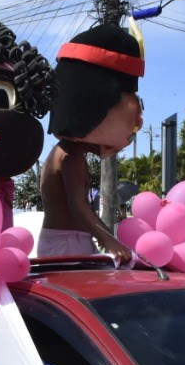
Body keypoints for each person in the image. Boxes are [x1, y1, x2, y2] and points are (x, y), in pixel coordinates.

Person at [39, 22, 142, 264]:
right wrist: (109, 239)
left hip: (68, 239)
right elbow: (77, 204)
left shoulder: (68, 151)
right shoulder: (70, 154)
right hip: (66, 241)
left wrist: (106, 235)